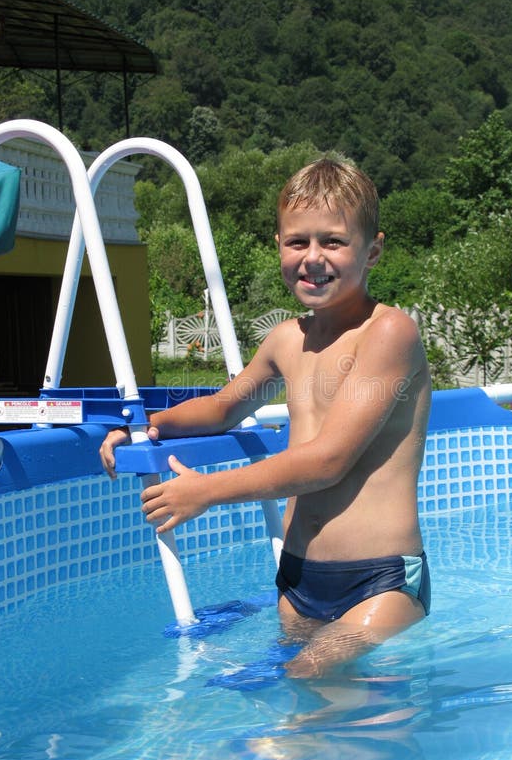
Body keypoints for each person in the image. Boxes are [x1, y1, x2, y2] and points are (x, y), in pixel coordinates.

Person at [100, 158, 432, 678]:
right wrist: (150, 426)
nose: (313, 257)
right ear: (278, 245)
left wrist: (208, 490)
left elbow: (329, 461)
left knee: (310, 676)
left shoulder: (388, 333)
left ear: (373, 250)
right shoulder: (286, 340)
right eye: (297, 242)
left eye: (333, 242)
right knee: (306, 695)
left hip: (380, 579)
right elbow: (222, 407)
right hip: (298, 580)